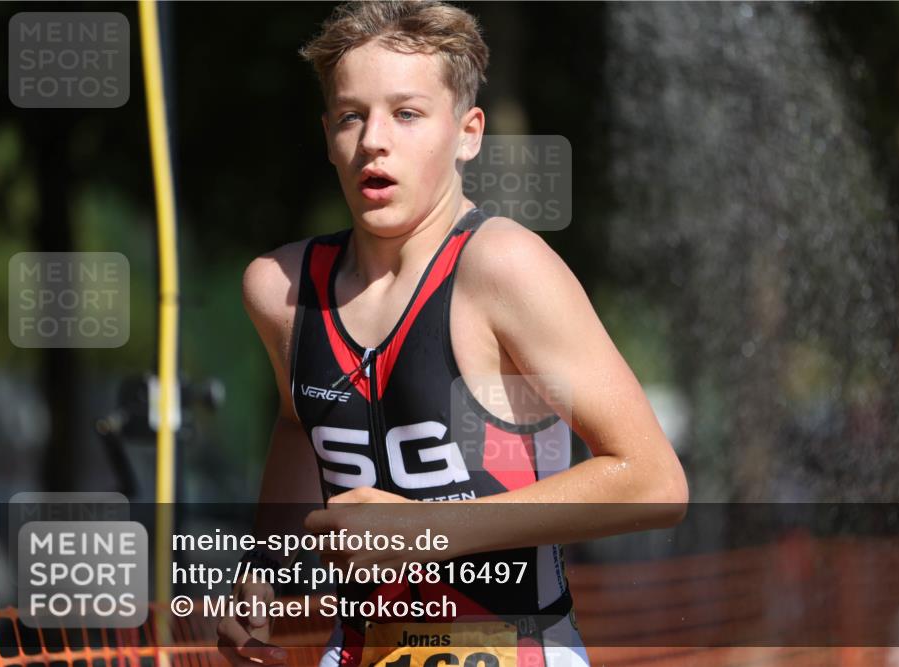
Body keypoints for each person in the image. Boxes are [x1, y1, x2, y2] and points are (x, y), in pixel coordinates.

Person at [217, 2, 688, 666]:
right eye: (352, 115)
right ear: (328, 136)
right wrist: (266, 576)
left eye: (407, 114)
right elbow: (302, 422)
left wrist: (423, 530)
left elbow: (653, 481)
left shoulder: (503, 267)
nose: (374, 139)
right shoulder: (281, 289)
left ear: (468, 133)